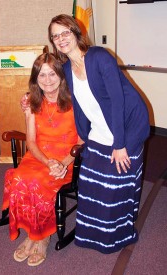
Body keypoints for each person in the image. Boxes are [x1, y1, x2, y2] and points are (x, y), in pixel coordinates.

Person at [47, 14, 150, 254]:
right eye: (55, 35)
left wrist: (120, 143)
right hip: (99, 130)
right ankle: (92, 232)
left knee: (116, 184)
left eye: (65, 32)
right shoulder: (66, 69)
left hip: (126, 127)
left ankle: (118, 233)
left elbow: (117, 101)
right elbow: (66, 98)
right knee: (91, 183)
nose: (61, 39)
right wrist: (29, 99)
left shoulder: (99, 57)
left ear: (76, 32)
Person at [2, 52, 81, 266]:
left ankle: (42, 237)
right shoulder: (32, 102)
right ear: (35, 78)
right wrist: (48, 162)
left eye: (52, 74)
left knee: (38, 183)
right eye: (42, 75)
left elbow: (83, 140)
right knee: (19, 178)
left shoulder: (76, 101)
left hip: (67, 160)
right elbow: (31, 142)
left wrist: (63, 163)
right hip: (39, 157)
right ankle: (32, 233)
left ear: (61, 76)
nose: (47, 80)